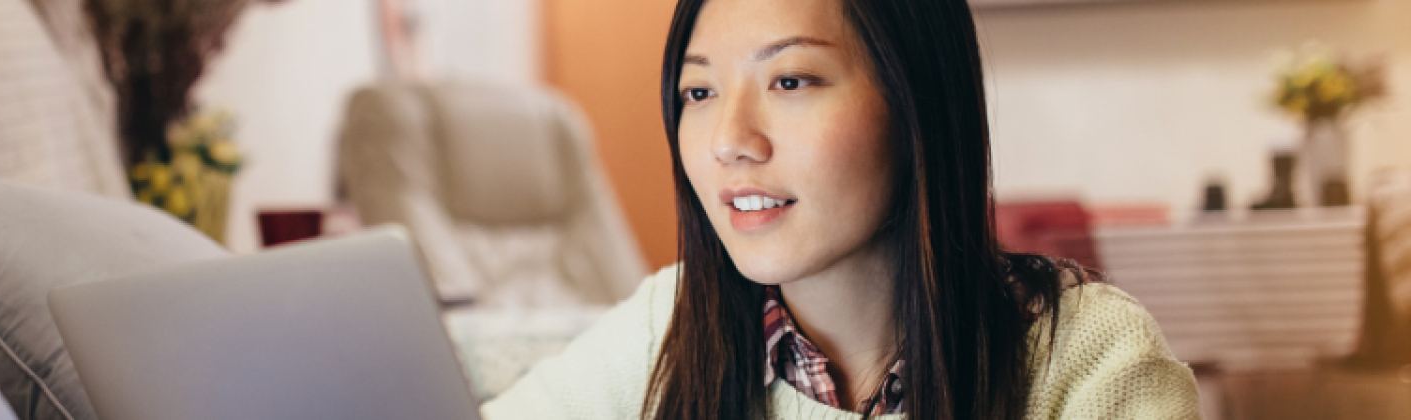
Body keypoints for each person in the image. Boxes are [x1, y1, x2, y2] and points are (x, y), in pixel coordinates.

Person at [480, 0, 1200, 418]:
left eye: (790, 80)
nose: (730, 141)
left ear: (916, 102)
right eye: (698, 93)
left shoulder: (1089, 358)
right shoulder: (668, 325)